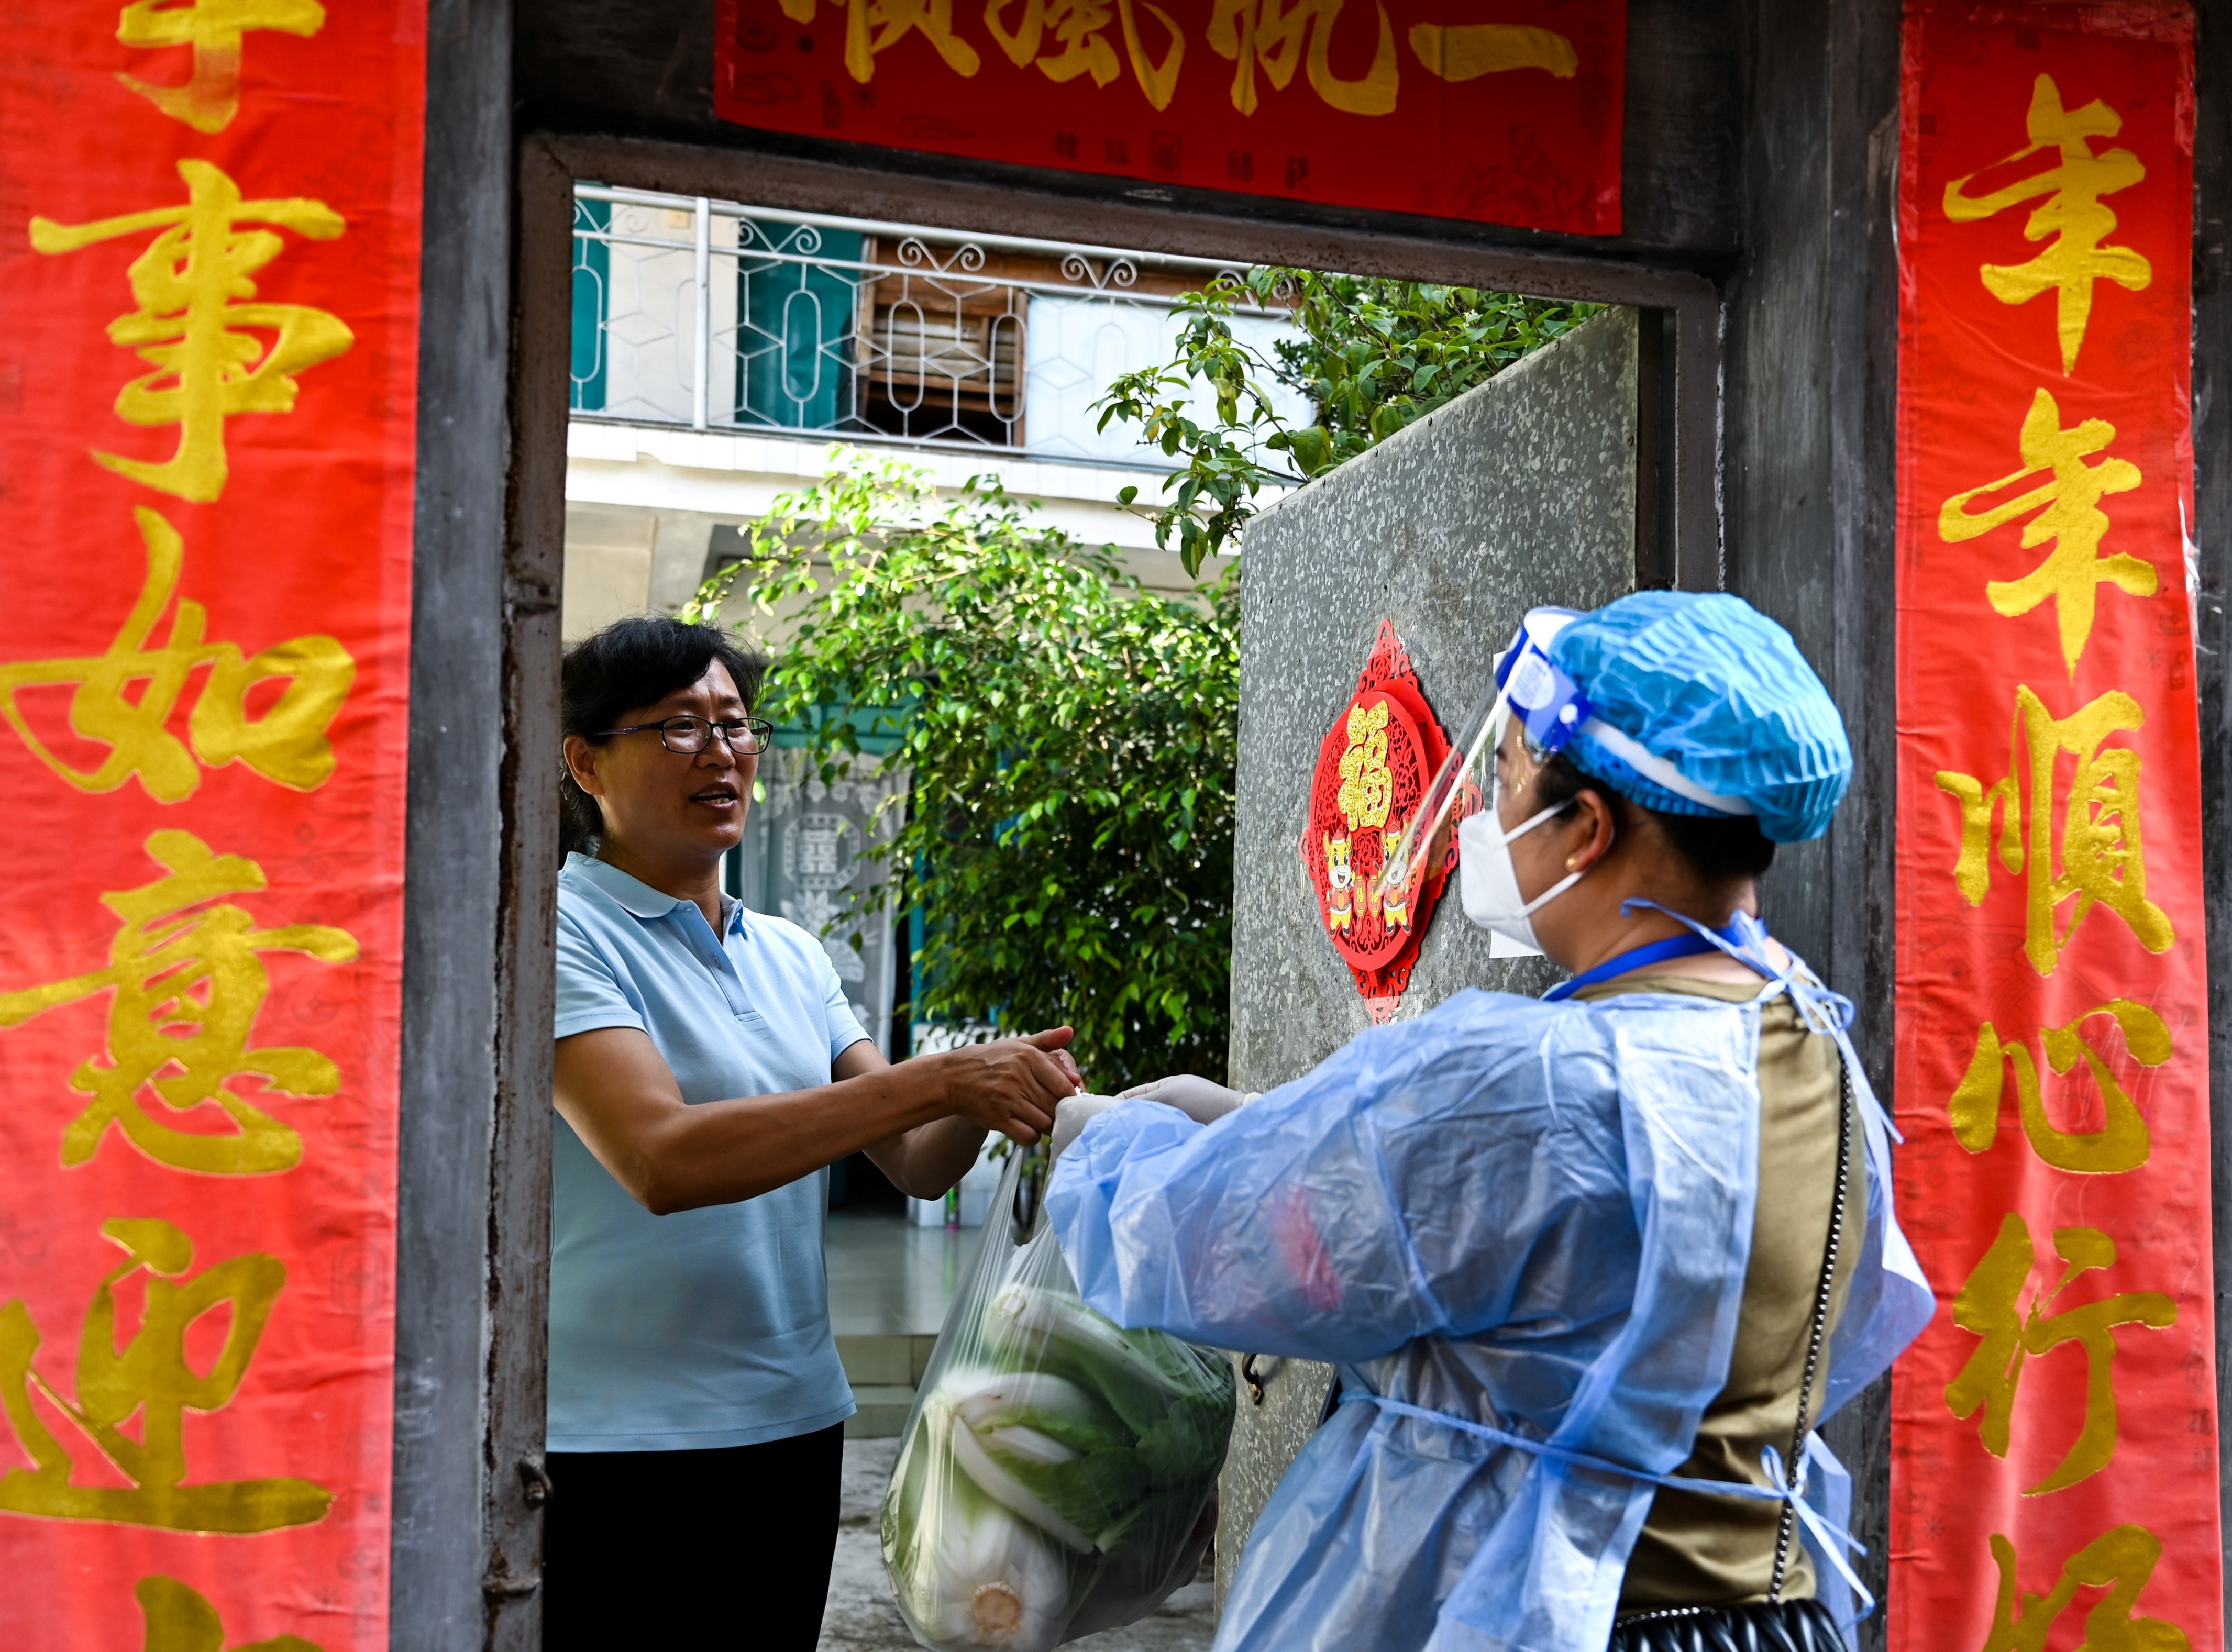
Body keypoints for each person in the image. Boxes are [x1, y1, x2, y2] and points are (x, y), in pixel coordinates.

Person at [1046, 592, 1933, 1652]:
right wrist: (1250, 1116)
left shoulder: (1536, 1078)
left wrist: (1099, 1136)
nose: (1484, 807)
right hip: (1760, 1619)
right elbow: (1591, 1235)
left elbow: (1199, 1246)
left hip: (1545, 1614)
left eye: (1505, 775)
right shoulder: (1803, 1034)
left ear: (1588, 830)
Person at [544, 616, 1081, 1649]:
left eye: (736, 726)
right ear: (583, 761)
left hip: (790, 1422)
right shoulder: (560, 928)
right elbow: (660, 1154)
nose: (720, 752)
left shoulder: (789, 951)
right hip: (613, 1439)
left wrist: (985, 1098)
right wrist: (938, 1077)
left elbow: (916, 1162)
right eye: (678, 727)